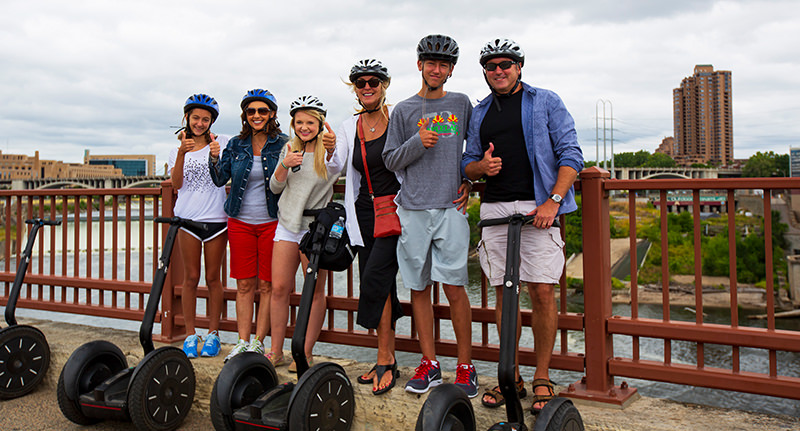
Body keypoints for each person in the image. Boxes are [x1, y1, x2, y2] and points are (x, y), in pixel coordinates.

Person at [462, 38, 583, 414]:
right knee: (504, 294)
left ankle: (542, 375)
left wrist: (554, 200)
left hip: (538, 206)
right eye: (491, 65)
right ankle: (509, 375)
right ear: (484, 71)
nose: (499, 70)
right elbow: (466, 162)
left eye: (506, 63)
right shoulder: (479, 111)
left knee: (543, 291)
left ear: (519, 67)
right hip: (495, 208)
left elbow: (571, 153)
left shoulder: (545, 101)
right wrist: (480, 170)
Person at [382, 34, 477, 398]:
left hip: (451, 208)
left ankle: (465, 366)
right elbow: (391, 160)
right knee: (418, 288)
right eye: (430, 62)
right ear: (419, 64)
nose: (436, 69)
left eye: (443, 64)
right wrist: (418, 141)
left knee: (455, 288)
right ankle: (429, 363)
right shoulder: (404, 110)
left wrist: (468, 179)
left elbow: (474, 150)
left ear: (451, 70)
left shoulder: (461, 103)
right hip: (413, 209)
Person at [333, 59, 403, 395]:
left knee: (376, 278)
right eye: (360, 83)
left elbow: (429, 147)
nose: (367, 87)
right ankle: (387, 357)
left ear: (385, 84)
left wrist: (462, 177)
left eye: (373, 81)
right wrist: (328, 148)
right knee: (380, 281)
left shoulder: (400, 117)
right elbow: (336, 165)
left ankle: (385, 357)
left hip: (398, 209)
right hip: (364, 211)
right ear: (355, 89)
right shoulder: (349, 126)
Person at [209, 89, 288, 362]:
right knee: (244, 284)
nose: (256, 116)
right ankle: (242, 341)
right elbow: (221, 180)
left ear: (272, 114)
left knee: (266, 285)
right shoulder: (235, 144)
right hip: (240, 222)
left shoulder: (284, 144)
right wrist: (214, 157)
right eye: (251, 111)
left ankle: (258, 342)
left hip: (272, 222)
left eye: (262, 111)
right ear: (245, 115)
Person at [267, 95, 342, 370]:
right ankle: (275, 351)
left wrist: (333, 150)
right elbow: (275, 188)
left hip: (314, 230)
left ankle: (305, 352)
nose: (304, 127)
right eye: (299, 122)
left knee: (314, 291)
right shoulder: (289, 148)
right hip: (287, 224)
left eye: (310, 122)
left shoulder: (328, 149)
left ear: (320, 123)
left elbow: (338, 167)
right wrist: (284, 164)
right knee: (279, 289)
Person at [168, 94, 228, 358]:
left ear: (211, 121)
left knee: (214, 278)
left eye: (205, 119)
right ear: (187, 119)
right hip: (188, 219)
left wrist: (217, 157)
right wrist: (182, 153)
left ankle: (213, 333)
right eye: (196, 118)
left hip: (216, 219)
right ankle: (191, 334)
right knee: (190, 278)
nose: (200, 123)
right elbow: (177, 184)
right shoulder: (176, 150)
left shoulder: (222, 143)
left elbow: (225, 175)